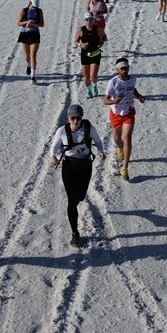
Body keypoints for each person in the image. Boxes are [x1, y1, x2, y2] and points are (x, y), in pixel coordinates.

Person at [49, 104, 107, 247]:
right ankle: (75, 233)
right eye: (72, 118)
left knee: (80, 196)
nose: (75, 121)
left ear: (82, 118)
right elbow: (54, 146)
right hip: (69, 165)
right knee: (71, 200)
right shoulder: (62, 131)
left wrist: (101, 151)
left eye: (78, 118)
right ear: (68, 118)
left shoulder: (88, 128)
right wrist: (52, 156)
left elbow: (98, 141)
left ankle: (74, 205)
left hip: (85, 165)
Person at [103, 57, 146, 181]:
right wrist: (114, 101)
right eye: (121, 69)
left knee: (127, 138)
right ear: (117, 70)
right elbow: (105, 100)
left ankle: (125, 167)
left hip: (128, 111)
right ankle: (120, 148)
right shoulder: (113, 82)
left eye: (126, 68)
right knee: (117, 138)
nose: (124, 71)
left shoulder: (133, 79)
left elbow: (132, 89)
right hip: (116, 113)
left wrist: (139, 96)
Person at [74, 13, 106, 98]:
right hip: (85, 54)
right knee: (86, 76)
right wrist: (81, 45)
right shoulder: (81, 29)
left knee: (93, 76)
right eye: (87, 20)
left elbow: (104, 37)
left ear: (93, 20)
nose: (89, 22)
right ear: (85, 20)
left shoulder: (98, 29)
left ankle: (94, 85)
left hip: (95, 53)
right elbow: (75, 41)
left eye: (91, 20)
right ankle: (88, 90)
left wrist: (101, 43)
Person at [17, 0, 44, 82]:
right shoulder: (24, 11)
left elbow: (42, 24)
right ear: (30, 3)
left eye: (36, 7)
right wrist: (26, 22)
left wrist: (34, 24)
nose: (34, 8)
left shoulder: (39, 11)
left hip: (35, 34)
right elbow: (18, 23)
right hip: (25, 34)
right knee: (27, 56)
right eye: (33, 6)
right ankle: (28, 65)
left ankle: (33, 76)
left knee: (33, 55)